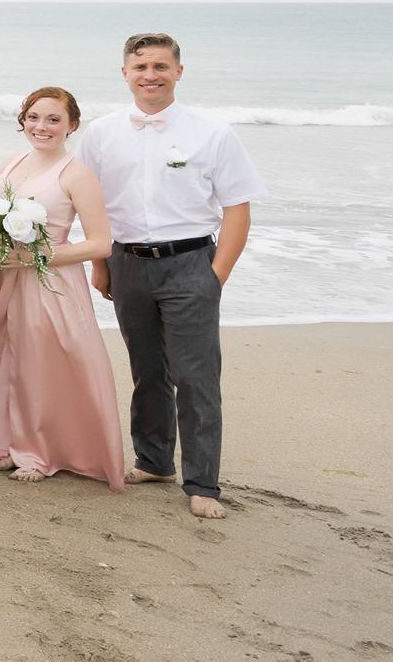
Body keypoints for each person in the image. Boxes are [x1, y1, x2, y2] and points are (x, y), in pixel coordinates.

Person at [80, 33, 262, 519]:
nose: (150, 75)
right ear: (125, 73)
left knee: (196, 376)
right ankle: (155, 461)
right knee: (149, 371)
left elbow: (237, 210)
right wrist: (100, 263)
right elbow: (89, 204)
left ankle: (202, 484)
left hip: (190, 264)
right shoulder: (100, 134)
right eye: (140, 67)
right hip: (127, 262)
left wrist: (215, 276)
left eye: (161, 66)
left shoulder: (213, 133)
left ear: (179, 71)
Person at [0, 86, 123, 491]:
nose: (42, 126)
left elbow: (100, 242)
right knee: (3, 357)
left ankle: (40, 451)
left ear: (72, 125)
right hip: (3, 276)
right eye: (34, 117)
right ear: (22, 120)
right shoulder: (11, 160)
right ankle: (5, 442)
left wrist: (37, 257)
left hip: (48, 281)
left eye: (54, 119)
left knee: (41, 364)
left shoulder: (76, 174)